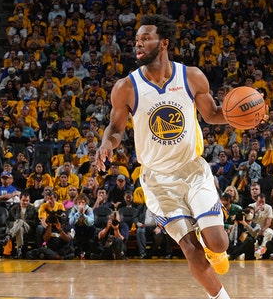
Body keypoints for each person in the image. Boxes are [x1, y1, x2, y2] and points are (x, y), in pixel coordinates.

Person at [96, 15, 231, 299]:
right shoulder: (126, 86)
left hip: (193, 171)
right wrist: (106, 144)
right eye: (137, 40)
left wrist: (241, 117)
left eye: (146, 38)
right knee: (189, 247)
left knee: (218, 243)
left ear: (164, 42)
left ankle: (214, 248)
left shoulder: (191, 76)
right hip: (157, 180)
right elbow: (116, 129)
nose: (139, 44)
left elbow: (212, 114)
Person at [6, 191, 38, 259]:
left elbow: (35, 223)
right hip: (17, 229)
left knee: (20, 221)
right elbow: (8, 221)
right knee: (20, 229)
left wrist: (24, 221)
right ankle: (19, 250)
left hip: (28, 229)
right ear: (20, 199)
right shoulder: (14, 208)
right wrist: (13, 223)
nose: (25, 202)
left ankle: (9, 235)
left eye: (27, 200)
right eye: (23, 200)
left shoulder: (33, 209)